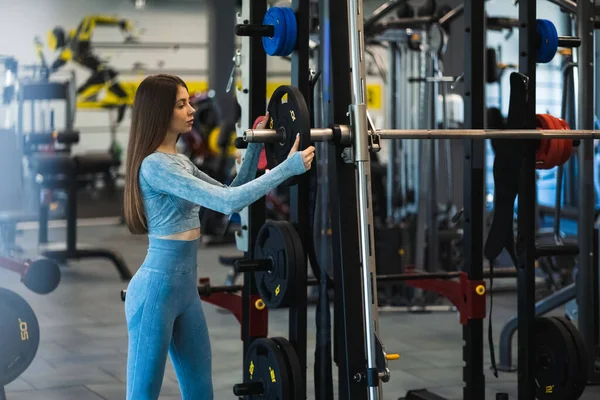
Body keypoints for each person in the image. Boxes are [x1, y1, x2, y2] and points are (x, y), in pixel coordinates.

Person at [122, 74, 314, 400]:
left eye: (187, 103)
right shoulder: (155, 166)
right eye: (181, 105)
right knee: (142, 396)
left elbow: (229, 191)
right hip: (154, 294)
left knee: (200, 393)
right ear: (159, 113)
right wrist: (287, 169)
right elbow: (228, 204)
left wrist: (254, 146)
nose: (190, 111)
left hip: (184, 291)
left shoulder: (178, 161)